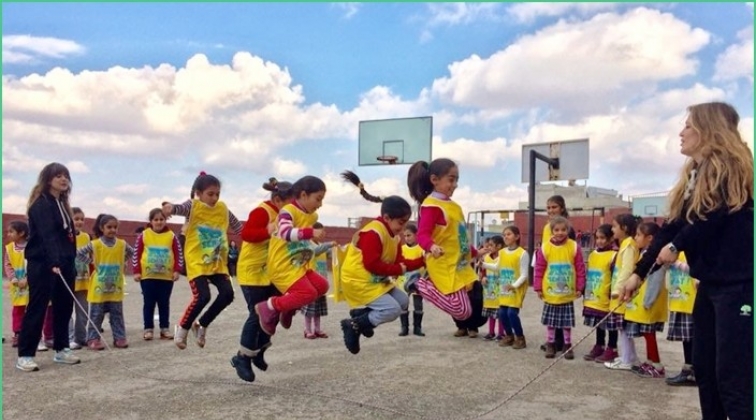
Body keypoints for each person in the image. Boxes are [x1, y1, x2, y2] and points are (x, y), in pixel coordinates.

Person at [622, 102, 753, 420]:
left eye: (689, 126)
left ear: (710, 129)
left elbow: (714, 216)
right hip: (709, 287)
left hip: (741, 287)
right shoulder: (694, 176)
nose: (681, 132)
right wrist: (639, 272)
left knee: (733, 379)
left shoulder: (733, 169)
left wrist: (677, 245)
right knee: (705, 372)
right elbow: (675, 226)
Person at [336, 170, 424, 354]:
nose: (402, 228)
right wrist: (396, 269)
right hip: (359, 280)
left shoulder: (394, 238)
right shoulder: (373, 233)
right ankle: (355, 325)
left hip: (375, 281)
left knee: (402, 301)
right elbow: (371, 264)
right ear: (386, 218)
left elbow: (401, 263)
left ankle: (361, 317)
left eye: (406, 222)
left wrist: (424, 261)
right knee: (391, 310)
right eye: (401, 222)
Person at [163, 171, 243, 349]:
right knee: (203, 296)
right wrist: (170, 207)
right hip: (197, 262)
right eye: (210, 194)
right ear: (199, 193)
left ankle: (202, 324)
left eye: (217, 194)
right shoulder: (193, 206)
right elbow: (179, 208)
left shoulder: (223, 209)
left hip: (217, 263)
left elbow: (239, 228)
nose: (214, 198)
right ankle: (182, 328)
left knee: (228, 294)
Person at [405, 158, 487, 330]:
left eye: (457, 180)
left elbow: (459, 237)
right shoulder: (431, 206)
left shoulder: (455, 207)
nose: (455, 184)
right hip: (444, 264)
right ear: (434, 180)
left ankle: (469, 327)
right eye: (451, 179)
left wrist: (475, 252)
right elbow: (422, 234)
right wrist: (431, 247)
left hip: (460, 265)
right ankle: (418, 284)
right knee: (461, 310)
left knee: (474, 305)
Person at [16, 162, 80, 371]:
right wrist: (53, 261)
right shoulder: (41, 205)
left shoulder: (62, 204)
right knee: (38, 307)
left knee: (64, 307)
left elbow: (67, 238)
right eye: (58, 176)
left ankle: (61, 349)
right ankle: (25, 354)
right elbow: (47, 236)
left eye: (66, 176)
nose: (63, 179)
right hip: (43, 264)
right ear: (48, 179)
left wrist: (70, 262)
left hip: (64, 263)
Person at [231, 178, 294, 383]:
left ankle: (258, 350)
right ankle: (242, 357)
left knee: (272, 311)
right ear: (277, 199)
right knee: (257, 313)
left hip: (272, 272)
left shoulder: (288, 215)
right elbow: (247, 234)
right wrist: (269, 229)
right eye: (290, 203)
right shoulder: (263, 211)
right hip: (253, 271)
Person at [254, 176, 329, 337]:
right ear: (303, 195)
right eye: (318, 199)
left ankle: (288, 308)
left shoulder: (311, 216)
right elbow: (285, 233)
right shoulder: (287, 211)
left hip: (299, 265)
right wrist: (311, 232)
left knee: (322, 286)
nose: (320, 204)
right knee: (307, 293)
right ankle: (268, 306)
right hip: (282, 265)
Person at [76, 214, 134, 350]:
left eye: (115, 227)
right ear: (102, 228)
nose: (112, 230)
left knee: (117, 314)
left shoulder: (122, 244)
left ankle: (119, 337)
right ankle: (93, 338)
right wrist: (92, 262)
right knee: (96, 314)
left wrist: (123, 260)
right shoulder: (95, 244)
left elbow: (132, 252)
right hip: (99, 286)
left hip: (116, 287)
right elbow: (79, 253)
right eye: (109, 227)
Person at [533, 216, 585, 359]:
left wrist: (580, 286)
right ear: (552, 231)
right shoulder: (545, 248)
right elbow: (539, 268)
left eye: (563, 229)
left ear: (568, 230)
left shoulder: (574, 246)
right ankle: (551, 344)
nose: (560, 232)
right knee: (551, 322)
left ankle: (567, 345)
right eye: (556, 230)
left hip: (567, 292)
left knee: (566, 322)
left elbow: (580, 267)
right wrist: (538, 287)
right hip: (551, 292)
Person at [624, 222, 667, 378]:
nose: (635, 238)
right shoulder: (645, 253)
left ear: (650, 238)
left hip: (650, 302)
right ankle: (649, 361)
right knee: (646, 333)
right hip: (643, 302)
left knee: (650, 335)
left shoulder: (655, 257)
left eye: (638, 235)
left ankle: (657, 364)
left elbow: (655, 280)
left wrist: (648, 301)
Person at [132, 208, 183, 341]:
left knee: (164, 303)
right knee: (148, 303)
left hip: (166, 278)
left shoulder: (171, 236)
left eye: (161, 219)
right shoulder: (144, 235)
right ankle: (148, 329)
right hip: (147, 277)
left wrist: (177, 270)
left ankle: (164, 329)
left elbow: (178, 254)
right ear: (151, 221)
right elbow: (136, 254)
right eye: (156, 219)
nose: (159, 222)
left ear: (165, 221)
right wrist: (136, 271)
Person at [538, 195, 575, 353]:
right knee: (553, 309)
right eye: (548, 207)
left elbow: (572, 252)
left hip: (563, 272)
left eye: (554, 207)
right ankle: (552, 341)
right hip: (551, 272)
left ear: (562, 208)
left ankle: (562, 342)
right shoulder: (547, 227)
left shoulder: (568, 229)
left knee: (562, 308)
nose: (551, 210)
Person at [604, 213, 641, 370]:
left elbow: (627, 269)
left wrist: (619, 289)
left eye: (614, 226)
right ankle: (630, 357)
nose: (612, 229)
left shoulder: (629, 245)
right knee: (622, 328)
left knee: (624, 328)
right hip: (619, 292)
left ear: (624, 228)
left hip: (623, 294)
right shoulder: (625, 244)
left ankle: (627, 360)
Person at [581, 224, 619, 362]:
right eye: (597, 238)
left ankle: (612, 348)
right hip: (594, 295)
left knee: (611, 325)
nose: (599, 241)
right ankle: (599, 345)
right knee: (599, 324)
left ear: (611, 238)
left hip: (607, 296)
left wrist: (612, 293)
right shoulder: (592, 255)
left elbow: (616, 276)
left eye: (603, 238)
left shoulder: (615, 255)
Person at [664, 252, 697, 386]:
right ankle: (687, 368)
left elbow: (696, 269)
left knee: (693, 338)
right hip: (677, 300)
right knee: (685, 338)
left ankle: (695, 371)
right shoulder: (676, 249)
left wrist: (676, 263)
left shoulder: (693, 247)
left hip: (690, 301)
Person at [496, 225, 529, 350]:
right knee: (502, 312)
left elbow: (524, 275)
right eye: (504, 235)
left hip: (516, 288)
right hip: (505, 288)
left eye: (508, 234)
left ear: (517, 236)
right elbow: (497, 266)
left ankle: (520, 337)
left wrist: (514, 285)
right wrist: (483, 264)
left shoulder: (522, 253)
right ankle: (509, 335)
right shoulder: (502, 252)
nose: (505, 237)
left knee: (512, 313)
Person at [301, 222, 336, 339]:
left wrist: (341, 249)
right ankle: (307, 330)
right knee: (309, 307)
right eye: (321, 231)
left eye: (323, 231)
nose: (323, 234)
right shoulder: (308, 245)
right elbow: (316, 251)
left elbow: (333, 254)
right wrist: (329, 244)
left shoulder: (322, 245)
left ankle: (317, 329)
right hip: (310, 282)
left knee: (318, 308)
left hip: (321, 282)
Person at [396, 223, 426, 337]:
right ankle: (404, 328)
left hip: (418, 282)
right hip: (403, 281)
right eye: (405, 236)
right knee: (404, 303)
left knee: (418, 304)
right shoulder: (402, 249)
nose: (407, 238)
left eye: (409, 235)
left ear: (416, 235)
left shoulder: (421, 249)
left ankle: (417, 328)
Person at [4, 221, 30, 348]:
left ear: (21, 233)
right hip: (16, 285)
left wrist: (28, 278)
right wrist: (13, 278)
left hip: (30, 284)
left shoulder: (31, 247)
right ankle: (18, 334)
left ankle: (33, 333)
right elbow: (7, 265)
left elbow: (35, 265)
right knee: (18, 309)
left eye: (11, 231)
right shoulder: (9, 248)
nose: (8, 234)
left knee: (32, 309)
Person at [68, 207, 90, 350]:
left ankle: (81, 337)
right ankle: (69, 338)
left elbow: (90, 257)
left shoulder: (86, 237)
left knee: (83, 311)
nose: (79, 222)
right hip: (68, 281)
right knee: (67, 312)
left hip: (83, 281)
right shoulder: (63, 236)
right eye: (76, 219)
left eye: (82, 219)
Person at [480, 236, 504, 341]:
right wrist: (483, 278)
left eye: (491, 245)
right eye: (488, 245)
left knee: (500, 313)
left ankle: (501, 333)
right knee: (490, 313)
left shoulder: (503, 258)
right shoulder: (486, 257)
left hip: (499, 289)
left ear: (499, 246)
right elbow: (483, 271)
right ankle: (491, 332)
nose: (489, 247)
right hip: (489, 289)